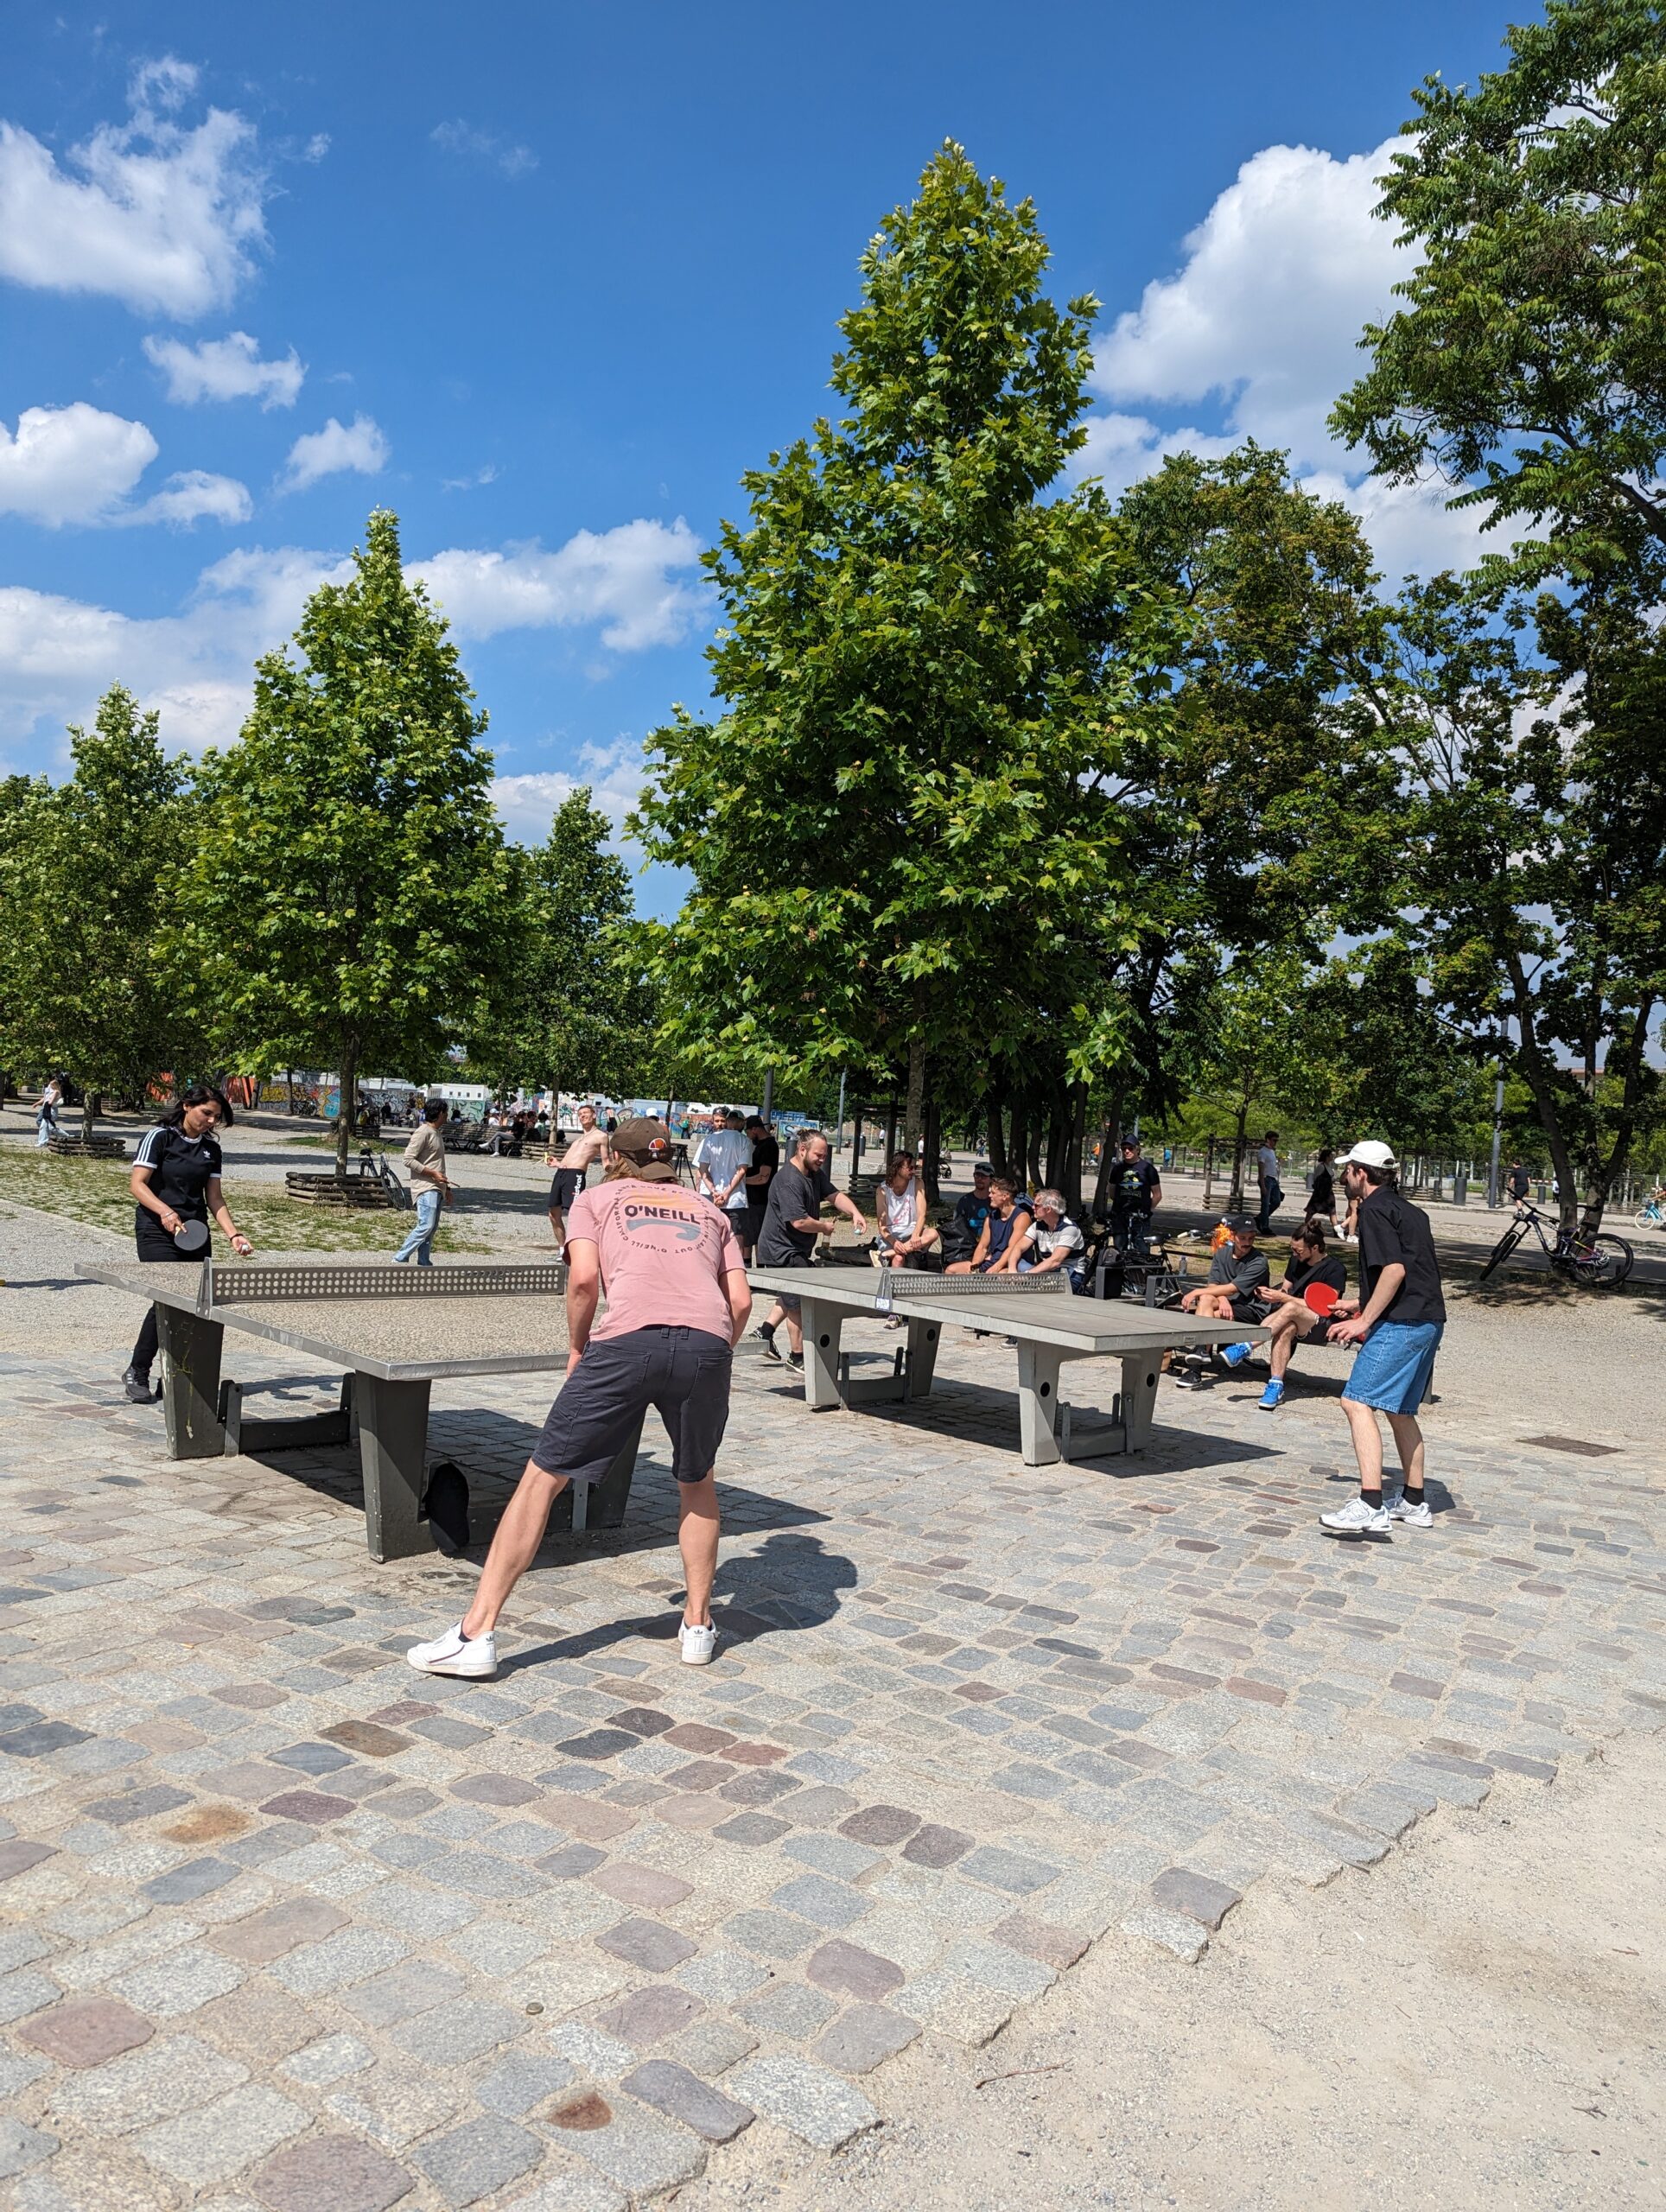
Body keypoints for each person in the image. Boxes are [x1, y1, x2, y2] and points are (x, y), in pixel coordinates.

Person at [407, 1120, 750, 1679]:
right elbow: (739, 1301)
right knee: (697, 1481)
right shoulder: (710, 1211)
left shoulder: (595, 1199)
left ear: (615, 1155)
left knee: (543, 1478)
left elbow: (585, 1281)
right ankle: (695, 1625)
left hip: (626, 1342)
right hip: (707, 1344)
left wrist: (575, 1347)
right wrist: (711, 1354)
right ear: (669, 1162)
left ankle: (477, 1632)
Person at [1319, 1141, 1447, 1535]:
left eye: (1347, 1170)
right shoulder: (1411, 1210)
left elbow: (1394, 1271)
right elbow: (1413, 1271)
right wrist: (1357, 1303)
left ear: (1361, 1171)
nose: (1343, 1177)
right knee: (1400, 1411)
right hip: (1427, 1319)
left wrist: (1363, 1322)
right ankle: (1413, 1501)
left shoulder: (1373, 1210)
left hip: (1402, 1324)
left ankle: (1370, 1504)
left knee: (1355, 1401)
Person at [123, 1085, 253, 1402]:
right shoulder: (160, 1137)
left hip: (194, 1233)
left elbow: (215, 1198)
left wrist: (234, 1234)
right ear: (186, 1106)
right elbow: (137, 1185)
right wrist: (165, 1211)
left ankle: (173, 1377)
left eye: (216, 1117)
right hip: (156, 1230)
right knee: (167, 1300)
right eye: (206, 1113)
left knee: (193, 1306)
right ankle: (138, 1370)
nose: (211, 1121)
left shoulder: (212, 1150)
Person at [754, 1128, 867, 1367]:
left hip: (796, 1249)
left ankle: (764, 1332)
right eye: (819, 1155)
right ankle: (798, 1357)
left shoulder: (814, 1173)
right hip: (780, 1249)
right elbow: (799, 1221)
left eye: (825, 1155)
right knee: (798, 1301)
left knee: (790, 1294)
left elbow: (834, 1195)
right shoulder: (788, 1180)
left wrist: (855, 1212)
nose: (822, 1160)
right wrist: (824, 1228)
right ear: (802, 1149)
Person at [1218, 1217, 1348, 1408]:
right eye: (1292, 1248)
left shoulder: (1336, 1269)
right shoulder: (1295, 1261)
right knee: (1287, 1326)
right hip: (1291, 1319)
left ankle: (1246, 1346)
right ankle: (1275, 1386)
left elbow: (1326, 1307)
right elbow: (1286, 1291)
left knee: (1291, 1308)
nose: (1294, 1253)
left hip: (1319, 1321)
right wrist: (1273, 1295)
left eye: (1298, 1250)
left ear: (1315, 1248)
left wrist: (1284, 1299)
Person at [393, 1097, 453, 1267]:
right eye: (446, 1112)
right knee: (425, 1225)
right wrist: (432, 1173)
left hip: (437, 1187)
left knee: (431, 1228)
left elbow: (438, 1164)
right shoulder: (423, 1132)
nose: (447, 1115)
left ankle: (424, 1262)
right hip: (425, 1187)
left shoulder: (437, 1133)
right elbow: (408, 1159)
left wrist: (447, 1188)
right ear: (440, 1113)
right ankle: (400, 1257)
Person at [1178, 1215, 1269, 1325]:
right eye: (1243, 1238)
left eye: (1251, 1238)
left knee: (1208, 1317)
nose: (1247, 1243)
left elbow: (1232, 1289)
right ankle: (1203, 1341)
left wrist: (1196, 1291)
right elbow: (1212, 1284)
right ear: (1232, 1235)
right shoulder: (1221, 1253)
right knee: (1206, 1298)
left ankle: (1201, 1340)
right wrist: (1223, 1299)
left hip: (1250, 1308)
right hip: (1229, 1300)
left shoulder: (1259, 1261)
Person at [546, 1103, 609, 1245]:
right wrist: (557, 1163)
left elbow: (606, 1161)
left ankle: (583, 1248)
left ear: (594, 1115)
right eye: (580, 1114)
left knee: (576, 1214)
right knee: (553, 1214)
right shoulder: (578, 1139)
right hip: (561, 1172)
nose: (583, 1116)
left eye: (586, 1113)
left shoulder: (601, 1136)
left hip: (575, 1175)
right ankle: (563, 1251)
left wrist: (615, 1173)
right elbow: (568, 1160)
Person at [946, 1174, 1033, 1274]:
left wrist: (996, 1268)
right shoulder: (990, 1217)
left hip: (1013, 1264)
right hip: (992, 1261)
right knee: (951, 1270)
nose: (989, 1195)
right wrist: (974, 1267)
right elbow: (982, 1246)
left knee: (1001, 1276)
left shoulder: (1022, 1217)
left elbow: (1012, 1248)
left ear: (1005, 1196)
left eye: (993, 1193)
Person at [1012, 1188, 1088, 1288]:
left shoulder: (1069, 1229)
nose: (1032, 1207)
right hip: (1046, 1272)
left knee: (1034, 1283)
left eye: (1036, 1205)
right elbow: (1018, 1248)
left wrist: (1027, 1275)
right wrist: (1012, 1270)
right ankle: (1035, 1283)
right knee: (1019, 1263)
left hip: (1069, 1275)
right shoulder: (1037, 1226)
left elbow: (1055, 1261)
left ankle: (1035, 1284)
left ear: (1048, 1209)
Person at [693, 1110, 752, 1240]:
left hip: (711, 1196)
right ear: (742, 1123)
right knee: (736, 1237)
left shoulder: (709, 1140)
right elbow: (742, 1170)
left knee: (709, 1236)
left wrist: (713, 1191)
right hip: (735, 1199)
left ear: (728, 1121)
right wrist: (726, 1193)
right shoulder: (745, 1141)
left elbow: (702, 1170)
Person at [874, 1152, 937, 1271]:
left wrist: (915, 1235)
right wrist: (894, 1242)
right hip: (893, 1233)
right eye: (910, 1168)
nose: (913, 1171)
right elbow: (882, 1226)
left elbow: (922, 1214)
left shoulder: (918, 1183)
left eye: (915, 1167)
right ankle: (892, 1287)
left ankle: (887, 1254)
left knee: (933, 1233)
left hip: (912, 1232)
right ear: (897, 1168)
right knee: (898, 1259)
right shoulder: (882, 1190)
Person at [1107, 1136, 1162, 1253]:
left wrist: (1147, 1210)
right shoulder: (1117, 1169)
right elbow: (1112, 1192)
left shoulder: (1148, 1169)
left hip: (1140, 1217)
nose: (1127, 1151)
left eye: (1130, 1148)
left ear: (1137, 1150)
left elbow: (1157, 1195)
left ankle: (1142, 1270)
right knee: (1119, 1248)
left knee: (1141, 1247)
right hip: (1120, 1215)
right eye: (1124, 1148)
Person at [939, 1161, 994, 1267]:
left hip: (991, 1248)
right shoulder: (965, 1201)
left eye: (983, 1176)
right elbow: (957, 1228)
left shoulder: (995, 1201)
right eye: (977, 1175)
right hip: (968, 1248)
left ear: (991, 1179)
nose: (979, 1179)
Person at [741, 1114, 779, 1262]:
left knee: (757, 1238)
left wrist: (741, 1181)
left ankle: (759, 1270)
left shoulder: (768, 1146)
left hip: (759, 1200)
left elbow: (763, 1177)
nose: (748, 1136)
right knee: (749, 1236)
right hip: (753, 1199)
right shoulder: (760, 1145)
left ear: (755, 1129)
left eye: (748, 1132)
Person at [1255, 1130, 1284, 1235]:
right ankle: (1264, 1226)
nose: (1275, 1142)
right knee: (1265, 1204)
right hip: (1266, 1179)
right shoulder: (1263, 1152)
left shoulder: (1272, 1151)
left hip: (1273, 1179)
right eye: (1273, 1140)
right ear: (1268, 1139)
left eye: (1276, 1141)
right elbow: (1261, 1169)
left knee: (1277, 1201)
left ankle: (1259, 1218)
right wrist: (1262, 1185)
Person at [1308, 1147, 1337, 1228]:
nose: (1332, 1157)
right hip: (1320, 1193)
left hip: (1328, 1192)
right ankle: (1305, 1226)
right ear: (1327, 1156)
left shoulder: (1329, 1166)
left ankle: (1336, 1229)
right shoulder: (1321, 1166)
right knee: (1312, 1210)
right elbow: (1316, 1178)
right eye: (1331, 1155)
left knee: (1332, 1211)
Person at [35, 1073, 63, 1149]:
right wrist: (37, 1104)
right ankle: (43, 1141)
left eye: (51, 1085)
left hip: (50, 1109)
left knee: (49, 1127)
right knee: (44, 1125)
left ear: (54, 1085)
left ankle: (63, 1136)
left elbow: (51, 1102)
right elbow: (46, 1099)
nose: (50, 1086)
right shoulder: (51, 1090)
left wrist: (48, 1102)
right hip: (47, 1108)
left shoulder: (56, 1092)